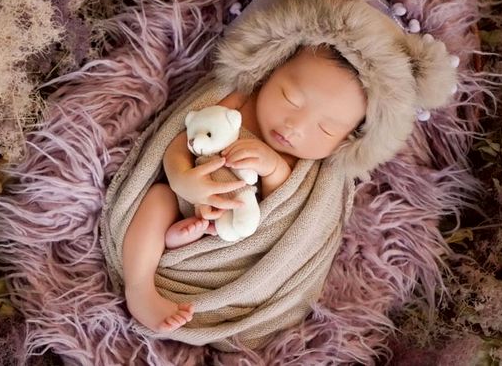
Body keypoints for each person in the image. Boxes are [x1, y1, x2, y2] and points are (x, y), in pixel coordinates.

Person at [120, 44, 367, 333]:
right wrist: (182, 178)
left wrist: (273, 169)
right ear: (271, 71)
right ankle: (139, 287)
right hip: (185, 203)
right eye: (290, 98)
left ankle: (182, 240)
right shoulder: (240, 101)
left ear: (346, 141)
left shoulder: (307, 164)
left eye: (326, 129)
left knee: (207, 229)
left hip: (237, 240)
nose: (295, 126)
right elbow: (185, 139)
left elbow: (282, 209)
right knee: (158, 198)